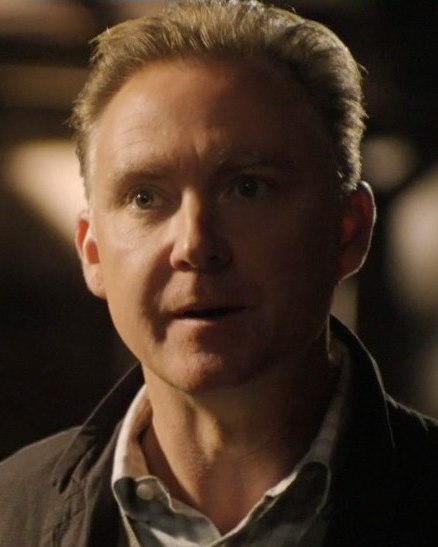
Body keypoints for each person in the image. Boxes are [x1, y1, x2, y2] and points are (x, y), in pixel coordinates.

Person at [1, 1, 437, 545]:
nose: (195, 245)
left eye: (247, 188)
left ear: (348, 230)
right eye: (145, 197)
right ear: (92, 253)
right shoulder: (11, 516)